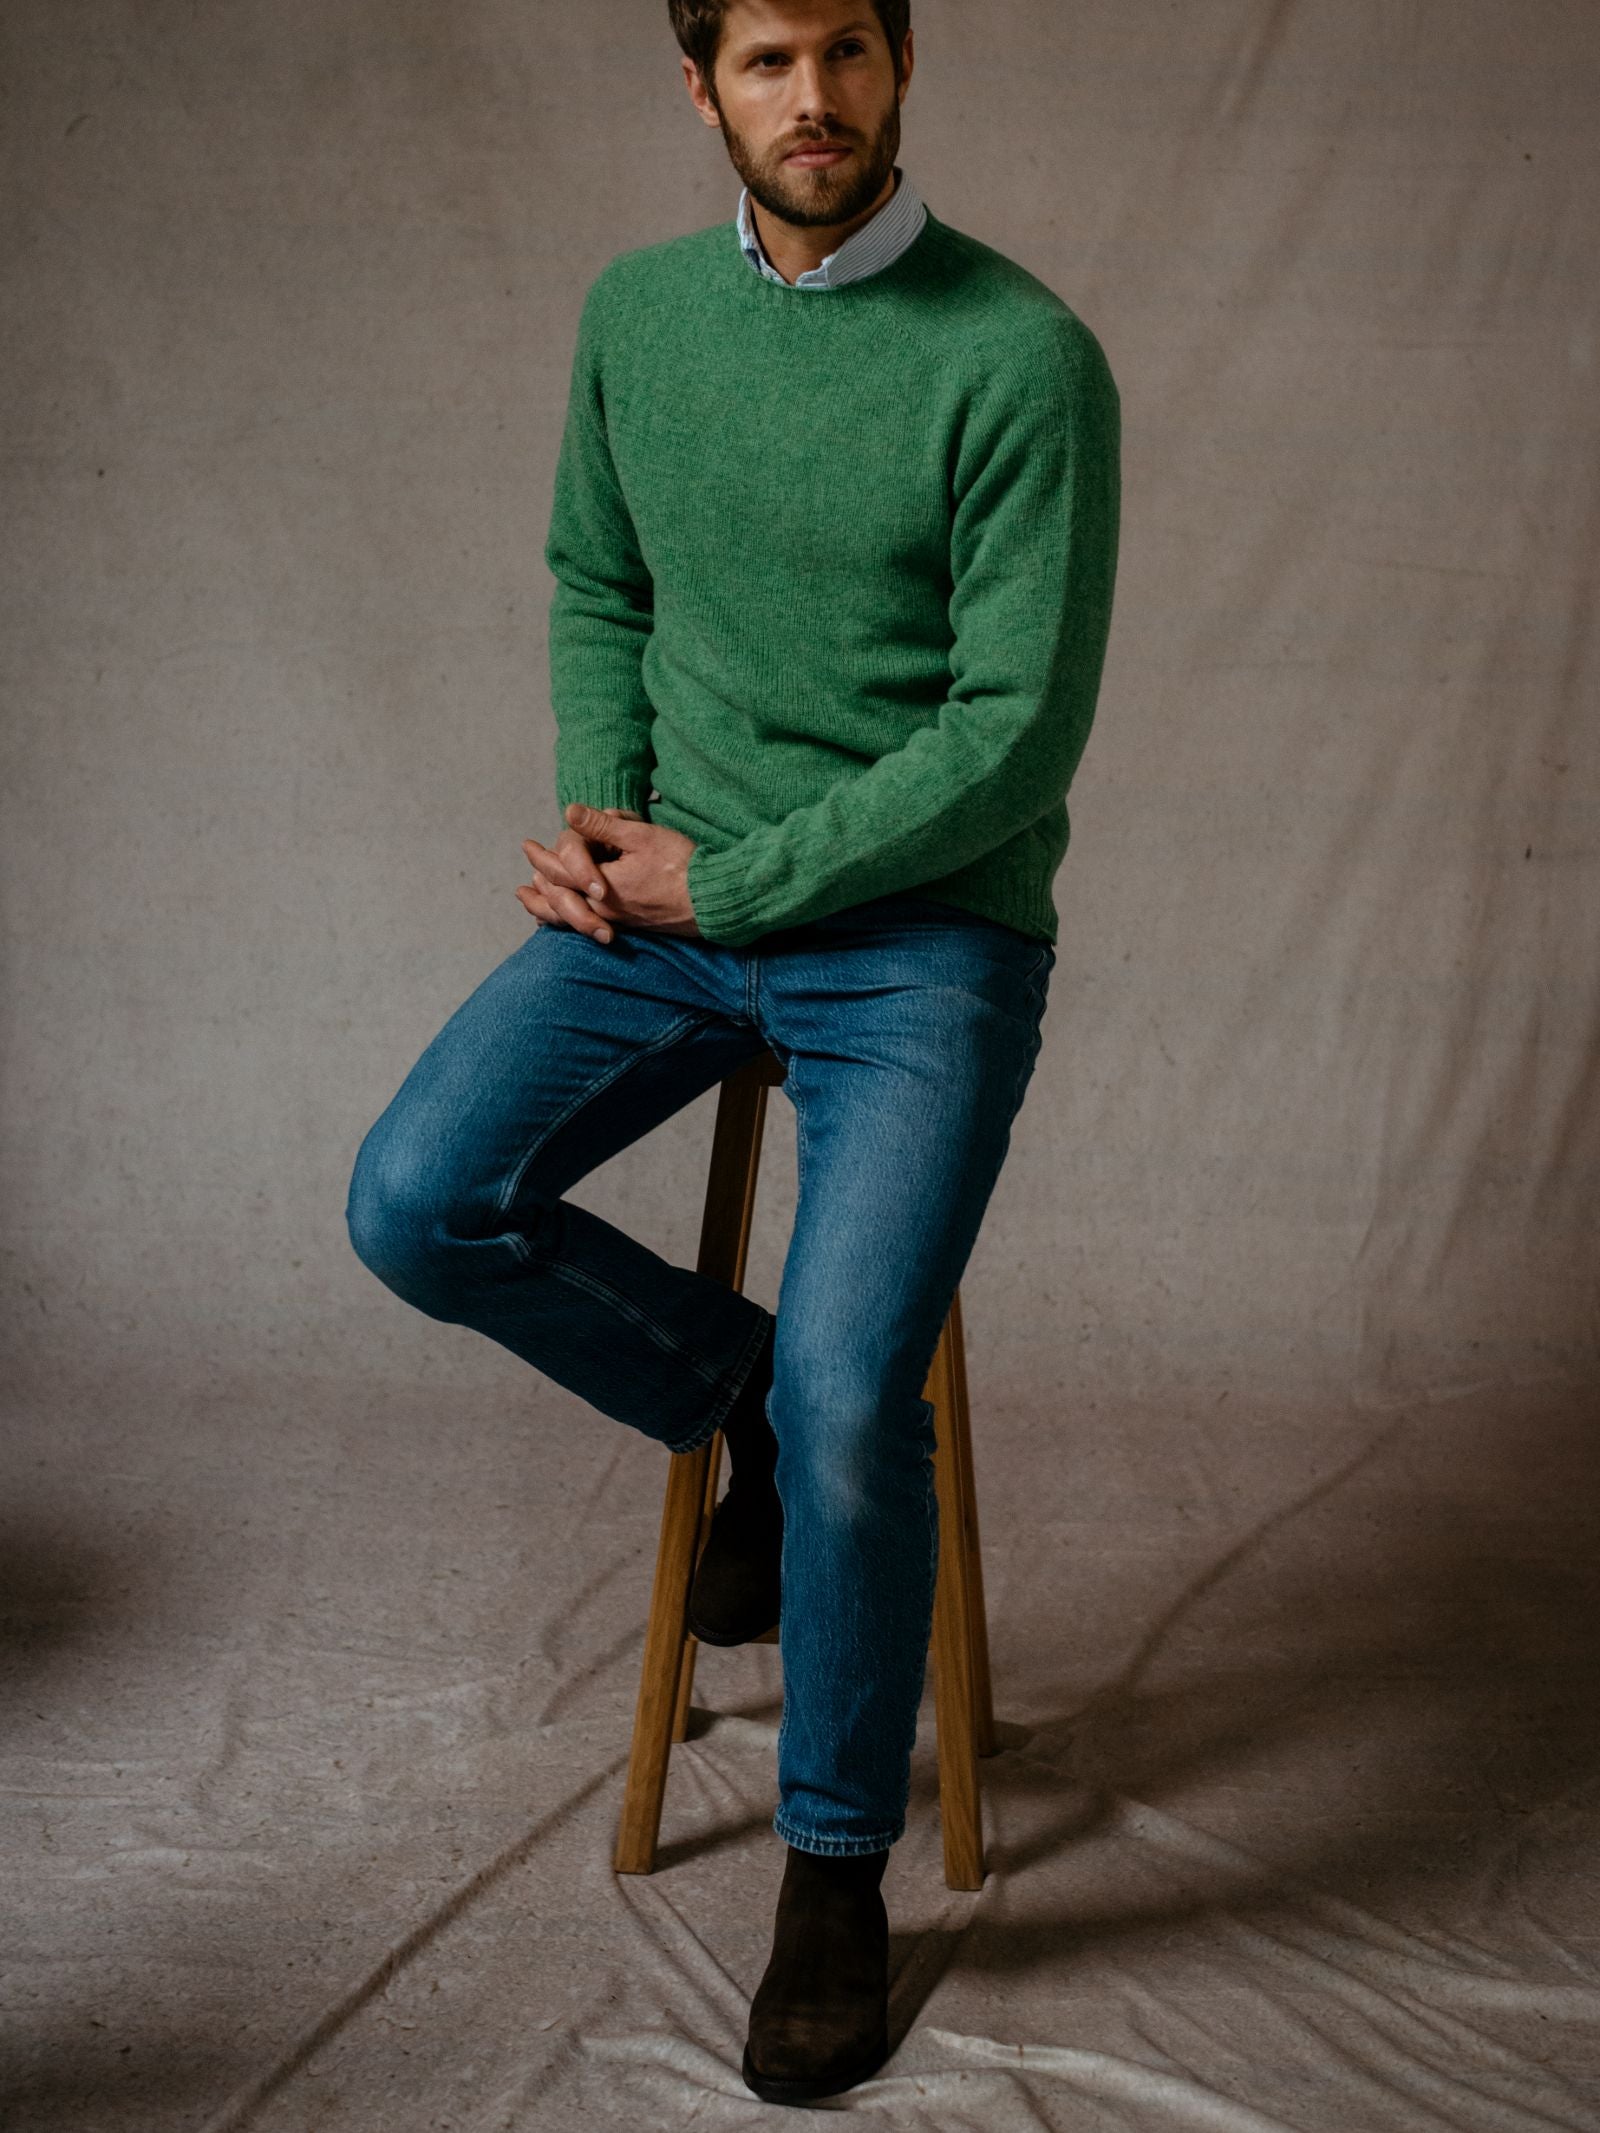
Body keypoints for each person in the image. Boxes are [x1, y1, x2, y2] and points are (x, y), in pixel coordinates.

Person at [346, 0, 1120, 2103]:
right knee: (415, 1201)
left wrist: (737, 881)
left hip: (917, 939)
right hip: (670, 908)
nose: (814, 99)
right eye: (766, 58)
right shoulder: (632, 316)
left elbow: (1008, 736)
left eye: (848, 50)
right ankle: (739, 1409)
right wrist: (606, 817)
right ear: (697, 85)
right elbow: (593, 577)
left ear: (900, 66)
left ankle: (831, 1869)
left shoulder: (1020, 356)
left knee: (859, 1381)